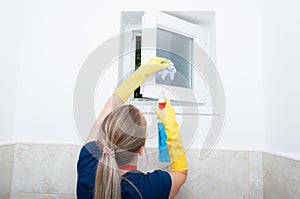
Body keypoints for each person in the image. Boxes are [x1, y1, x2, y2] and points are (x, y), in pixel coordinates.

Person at [76, 57, 188, 199]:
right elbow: (181, 174)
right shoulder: (150, 188)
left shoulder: (88, 162)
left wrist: (139, 74)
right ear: (141, 149)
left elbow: (110, 106)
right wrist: (170, 124)